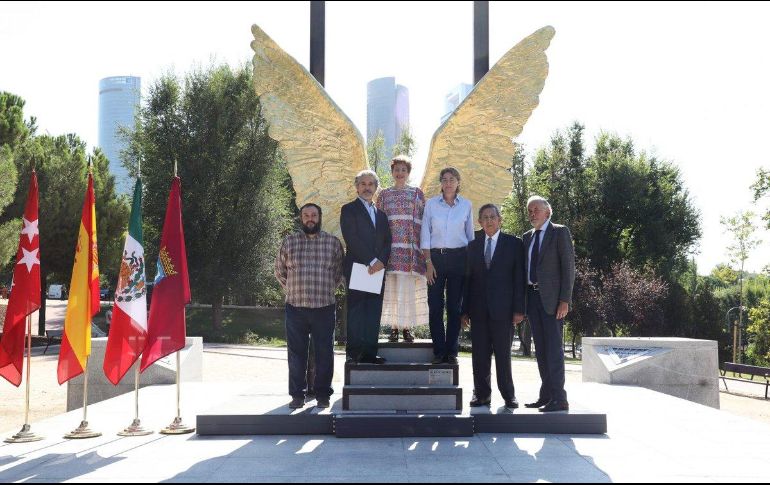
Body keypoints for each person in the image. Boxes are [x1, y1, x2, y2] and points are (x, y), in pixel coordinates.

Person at [275, 203, 344, 409]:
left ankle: (323, 394)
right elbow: (279, 271)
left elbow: (339, 272)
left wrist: (326, 288)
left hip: (324, 306)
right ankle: (297, 395)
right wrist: (295, 290)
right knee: (296, 354)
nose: (310, 218)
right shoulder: (289, 242)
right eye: (306, 215)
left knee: (325, 353)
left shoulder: (332, 243)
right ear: (301, 218)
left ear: (320, 217)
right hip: (296, 307)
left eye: (314, 215)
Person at [461, 204, 525, 408]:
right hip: (478, 311)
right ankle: (481, 394)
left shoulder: (514, 244)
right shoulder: (472, 246)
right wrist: (464, 311)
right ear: (479, 222)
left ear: (500, 220)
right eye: (484, 217)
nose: (489, 221)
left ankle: (508, 395)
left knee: (503, 355)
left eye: (492, 217)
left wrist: (519, 309)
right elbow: (467, 281)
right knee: (479, 355)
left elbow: (519, 279)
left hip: (504, 311)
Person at [523, 195, 575, 413]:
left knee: (554, 350)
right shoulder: (527, 237)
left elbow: (569, 268)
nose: (532, 214)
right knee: (541, 350)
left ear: (547, 212)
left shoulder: (559, 232)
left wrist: (565, 300)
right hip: (532, 300)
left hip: (553, 302)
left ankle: (560, 398)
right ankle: (546, 395)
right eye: (530, 211)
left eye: (536, 210)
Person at [421, 167, 474, 365]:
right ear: (441, 183)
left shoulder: (466, 205)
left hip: (459, 259)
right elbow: (425, 234)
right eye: (444, 179)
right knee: (435, 306)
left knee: (454, 307)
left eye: (452, 179)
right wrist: (427, 263)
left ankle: (451, 352)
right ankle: (438, 351)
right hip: (435, 259)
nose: (448, 183)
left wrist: (471, 266)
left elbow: (470, 237)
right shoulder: (431, 205)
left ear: (458, 182)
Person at [341, 170, 392, 364]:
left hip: (377, 270)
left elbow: (388, 241)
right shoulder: (349, 209)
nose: (367, 187)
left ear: (376, 188)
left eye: (371, 184)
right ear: (357, 187)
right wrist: (371, 260)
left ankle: (370, 353)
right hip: (359, 268)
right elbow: (351, 238)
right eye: (363, 184)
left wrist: (381, 261)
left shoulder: (381, 214)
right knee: (356, 312)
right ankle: (353, 354)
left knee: (373, 312)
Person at [375, 155, 428, 343]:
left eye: (403, 170)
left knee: (407, 290)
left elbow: (424, 220)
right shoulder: (383, 195)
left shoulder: (417, 194)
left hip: (410, 250)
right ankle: (394, 329)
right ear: (392, 172)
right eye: (397, 169)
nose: (400, 173)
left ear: (408, 173)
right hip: (390, 250)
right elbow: (378, 222)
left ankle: (407, 328)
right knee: (393, 289)